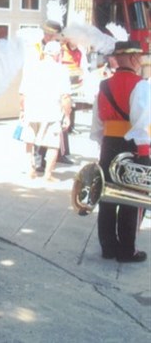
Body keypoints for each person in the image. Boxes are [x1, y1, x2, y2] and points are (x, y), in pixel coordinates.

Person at [90, 40, 150, 263]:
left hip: (108, 145)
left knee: (107, 195)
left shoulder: (103, 85)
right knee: (131, 199)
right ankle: (127, 250)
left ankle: (108, 246)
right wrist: (143, 152)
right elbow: (141, 122)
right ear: (134, 58)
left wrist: (103, 145)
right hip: (132, 146)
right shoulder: (140, 84)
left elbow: (97, 125)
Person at [19, 41, 72, 181]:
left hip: (32, 111)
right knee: (53, 145)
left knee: (29, 142)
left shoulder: (31, 68)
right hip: (52, 113)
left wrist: (22, 110)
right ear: (57, 54)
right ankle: (48, 175)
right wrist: (67, 116)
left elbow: (22, 94)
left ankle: (30, 170)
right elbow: (66, 97)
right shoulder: (61, 70)